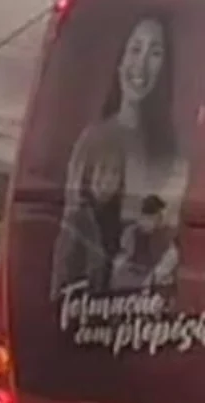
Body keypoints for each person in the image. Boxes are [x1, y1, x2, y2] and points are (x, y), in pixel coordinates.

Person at [55, 14, 185, 294]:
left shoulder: (174, 158)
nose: (141, 64)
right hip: (87, 310)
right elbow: (69, 242)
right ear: (120, 60)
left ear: (165, 67)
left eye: (155, 53)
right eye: (135, 49)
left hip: (151, 322)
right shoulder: (92, 141)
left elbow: (173, 250)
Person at [51, 131, 127, 296]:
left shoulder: (120, 222)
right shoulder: (77, 220)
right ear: (89, 173)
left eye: (115, 173)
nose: (108, 179)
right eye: (102, 170)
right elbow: (62, 283)